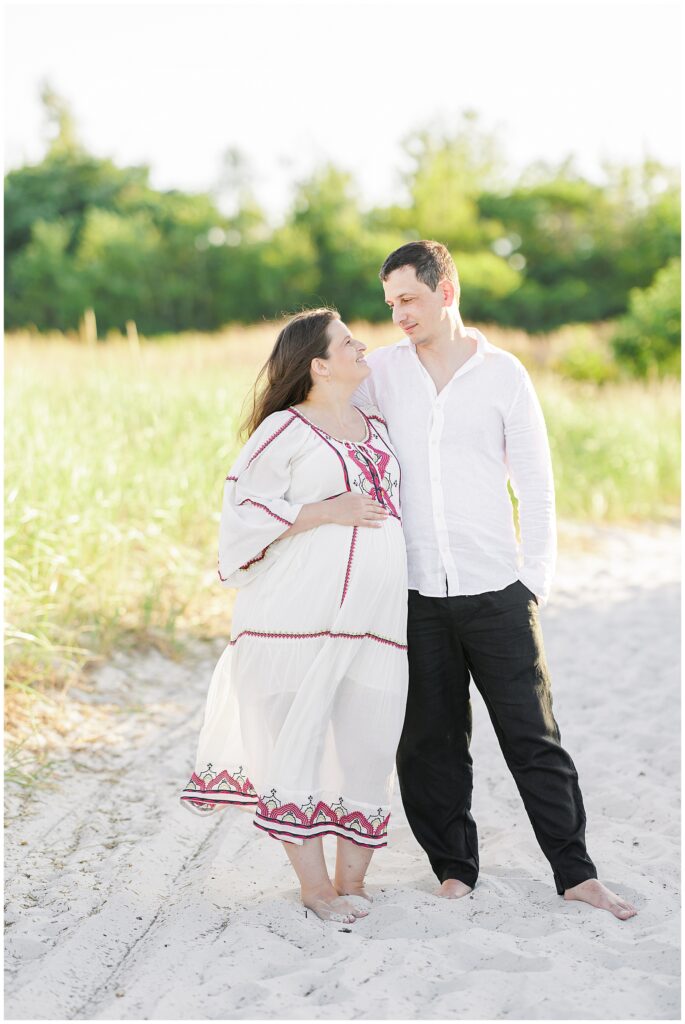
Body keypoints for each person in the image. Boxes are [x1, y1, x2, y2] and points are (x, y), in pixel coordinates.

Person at [352, 240, 637, 921]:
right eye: (390, 302)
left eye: (409, 299)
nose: (398, 315)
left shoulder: (504, 374)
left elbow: (535, 487)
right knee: (426, 742)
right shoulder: (380, 375)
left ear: (444, 292)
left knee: (532, 738)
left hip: (495, 591)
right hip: (413, 594)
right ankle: (453, 870)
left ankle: (575, 874)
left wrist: (530, 580)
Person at [180, 308, 409, 924]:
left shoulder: (377, 423)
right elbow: (243, 511)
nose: (363, 347)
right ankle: (316, 892)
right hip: (294, 616)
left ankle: (352, 884)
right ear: (318, 365)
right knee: (295, 741)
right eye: (348, 342)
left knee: (368, 739)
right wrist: (323, 511)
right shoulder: (284, 429)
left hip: (378, 619)